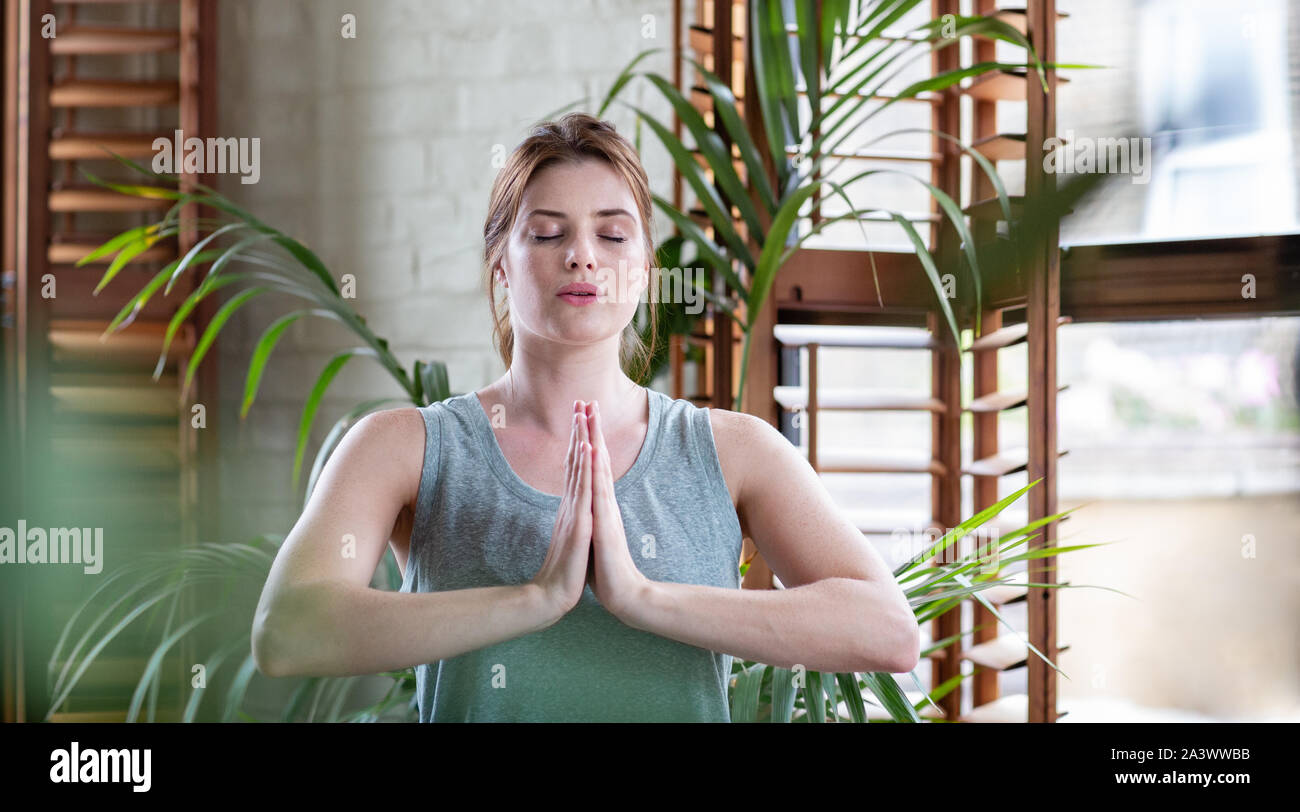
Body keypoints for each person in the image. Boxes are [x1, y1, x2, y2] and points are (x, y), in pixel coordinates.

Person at [251, 112, 919, 721]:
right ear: (501, 266)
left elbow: (889, 632)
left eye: (612, 233)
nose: (582, 256)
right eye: (546, 233)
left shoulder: (734, 451)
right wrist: (535, 599)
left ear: (645, 267)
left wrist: (641, 598)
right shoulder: (406, 447)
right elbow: (286, 632)